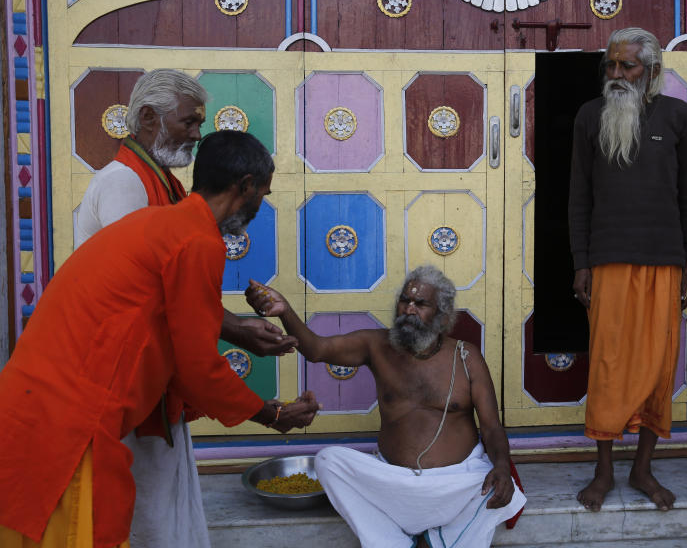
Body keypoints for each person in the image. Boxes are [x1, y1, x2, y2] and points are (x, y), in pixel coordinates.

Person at [0, 131, 319, 547]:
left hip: (34, 406)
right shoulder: (197, 240)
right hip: (71, 423)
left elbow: (179, 361)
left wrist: (259, 407)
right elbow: (197, 368)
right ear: (244, 187)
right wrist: (271, 415)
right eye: (263, 193)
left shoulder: (157, 223)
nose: (261, 205)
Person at [74, 69, 297, 548]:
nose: (197, 134)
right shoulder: (125, 185)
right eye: (189, 122)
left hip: (147, 381)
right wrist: (268, 409)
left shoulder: (168, 189)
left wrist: (238, 327)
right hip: (117, 378)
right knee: (140, 520)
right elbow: (149, 292)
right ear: (150, 118)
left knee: (165, 515)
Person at [245, 266, 526, 548]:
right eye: (405, 300)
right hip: (393, 480)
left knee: (502, 487)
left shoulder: (466, 356)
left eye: (421, 304)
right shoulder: (375, 344)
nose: (409, 309)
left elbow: (491, 426)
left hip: (454, 482)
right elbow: (316, 349)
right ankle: (392, 542)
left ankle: (437, 541)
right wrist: (285, 311)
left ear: (442, 318)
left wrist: (501, 466)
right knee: (329, 462)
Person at [568, 27, 687, 512]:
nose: (618, 74)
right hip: (608, 260)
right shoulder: (590, 116)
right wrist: (581, 262)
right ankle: (603, 470)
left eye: (628, 66)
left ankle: (642, 468)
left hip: (666, 260)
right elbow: (578, 197)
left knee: (658, 367)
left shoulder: (678, 116)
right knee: (608, 365)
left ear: (651, 71)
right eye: (611, 65)